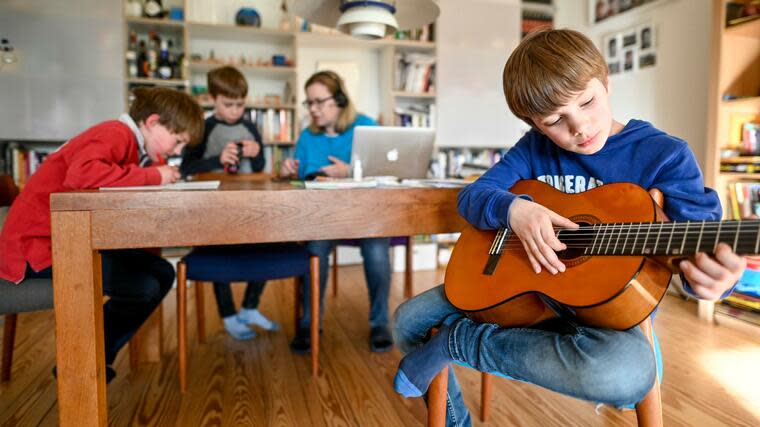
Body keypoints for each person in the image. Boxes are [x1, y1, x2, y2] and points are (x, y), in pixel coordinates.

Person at [391, 29, 745, 426]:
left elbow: (699, 249)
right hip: (521, 288)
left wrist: (714, 281)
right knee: (408, 321)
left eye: (588, 101)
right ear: (535, 125)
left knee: (624, 374)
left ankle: (460, 342)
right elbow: (473, 197)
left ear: (606, 81)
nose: (579, 127)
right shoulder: (534, 148)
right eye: (555, 120)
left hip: (606, 316)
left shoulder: (665, 156)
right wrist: (514, 211)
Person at [0, 87, 204, 383]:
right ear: (153, 122)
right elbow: (82, 177)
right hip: (36, 250)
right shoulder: (116, 133)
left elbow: (119, 178)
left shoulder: (132, 145)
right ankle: (83, 364)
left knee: (162, 271)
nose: (177, 151)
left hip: (67, 242)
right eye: (178, 140)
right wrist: (154, 175)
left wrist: (154, 169)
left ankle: (95, 356)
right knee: (143, 285)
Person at [279, 70, 394, 353]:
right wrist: (286, 172)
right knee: (314, 252)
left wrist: (350, 171)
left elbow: (389, 173)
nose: (313, 109)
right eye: (309, 103)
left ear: (340, 100)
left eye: (319, 101)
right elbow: (299, 178)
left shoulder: (366, 127)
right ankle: (309, 324)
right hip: (322, 218)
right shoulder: (307, 137)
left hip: (365, 216)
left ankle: (380, 322)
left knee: (377, 253)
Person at [180, 65, 278, 340]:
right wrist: (216, 160)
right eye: (228, 104)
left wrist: (258, 152)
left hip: (250, 203)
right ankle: (228, 315)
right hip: (213, 207)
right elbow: (187, 166)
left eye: (240, 104)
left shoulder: (250, 126)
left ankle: (249, 307)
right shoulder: (204, 127)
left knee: (267, 247)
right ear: (212, 99)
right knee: (218, 256)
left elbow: (259, 166)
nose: (236, 110)